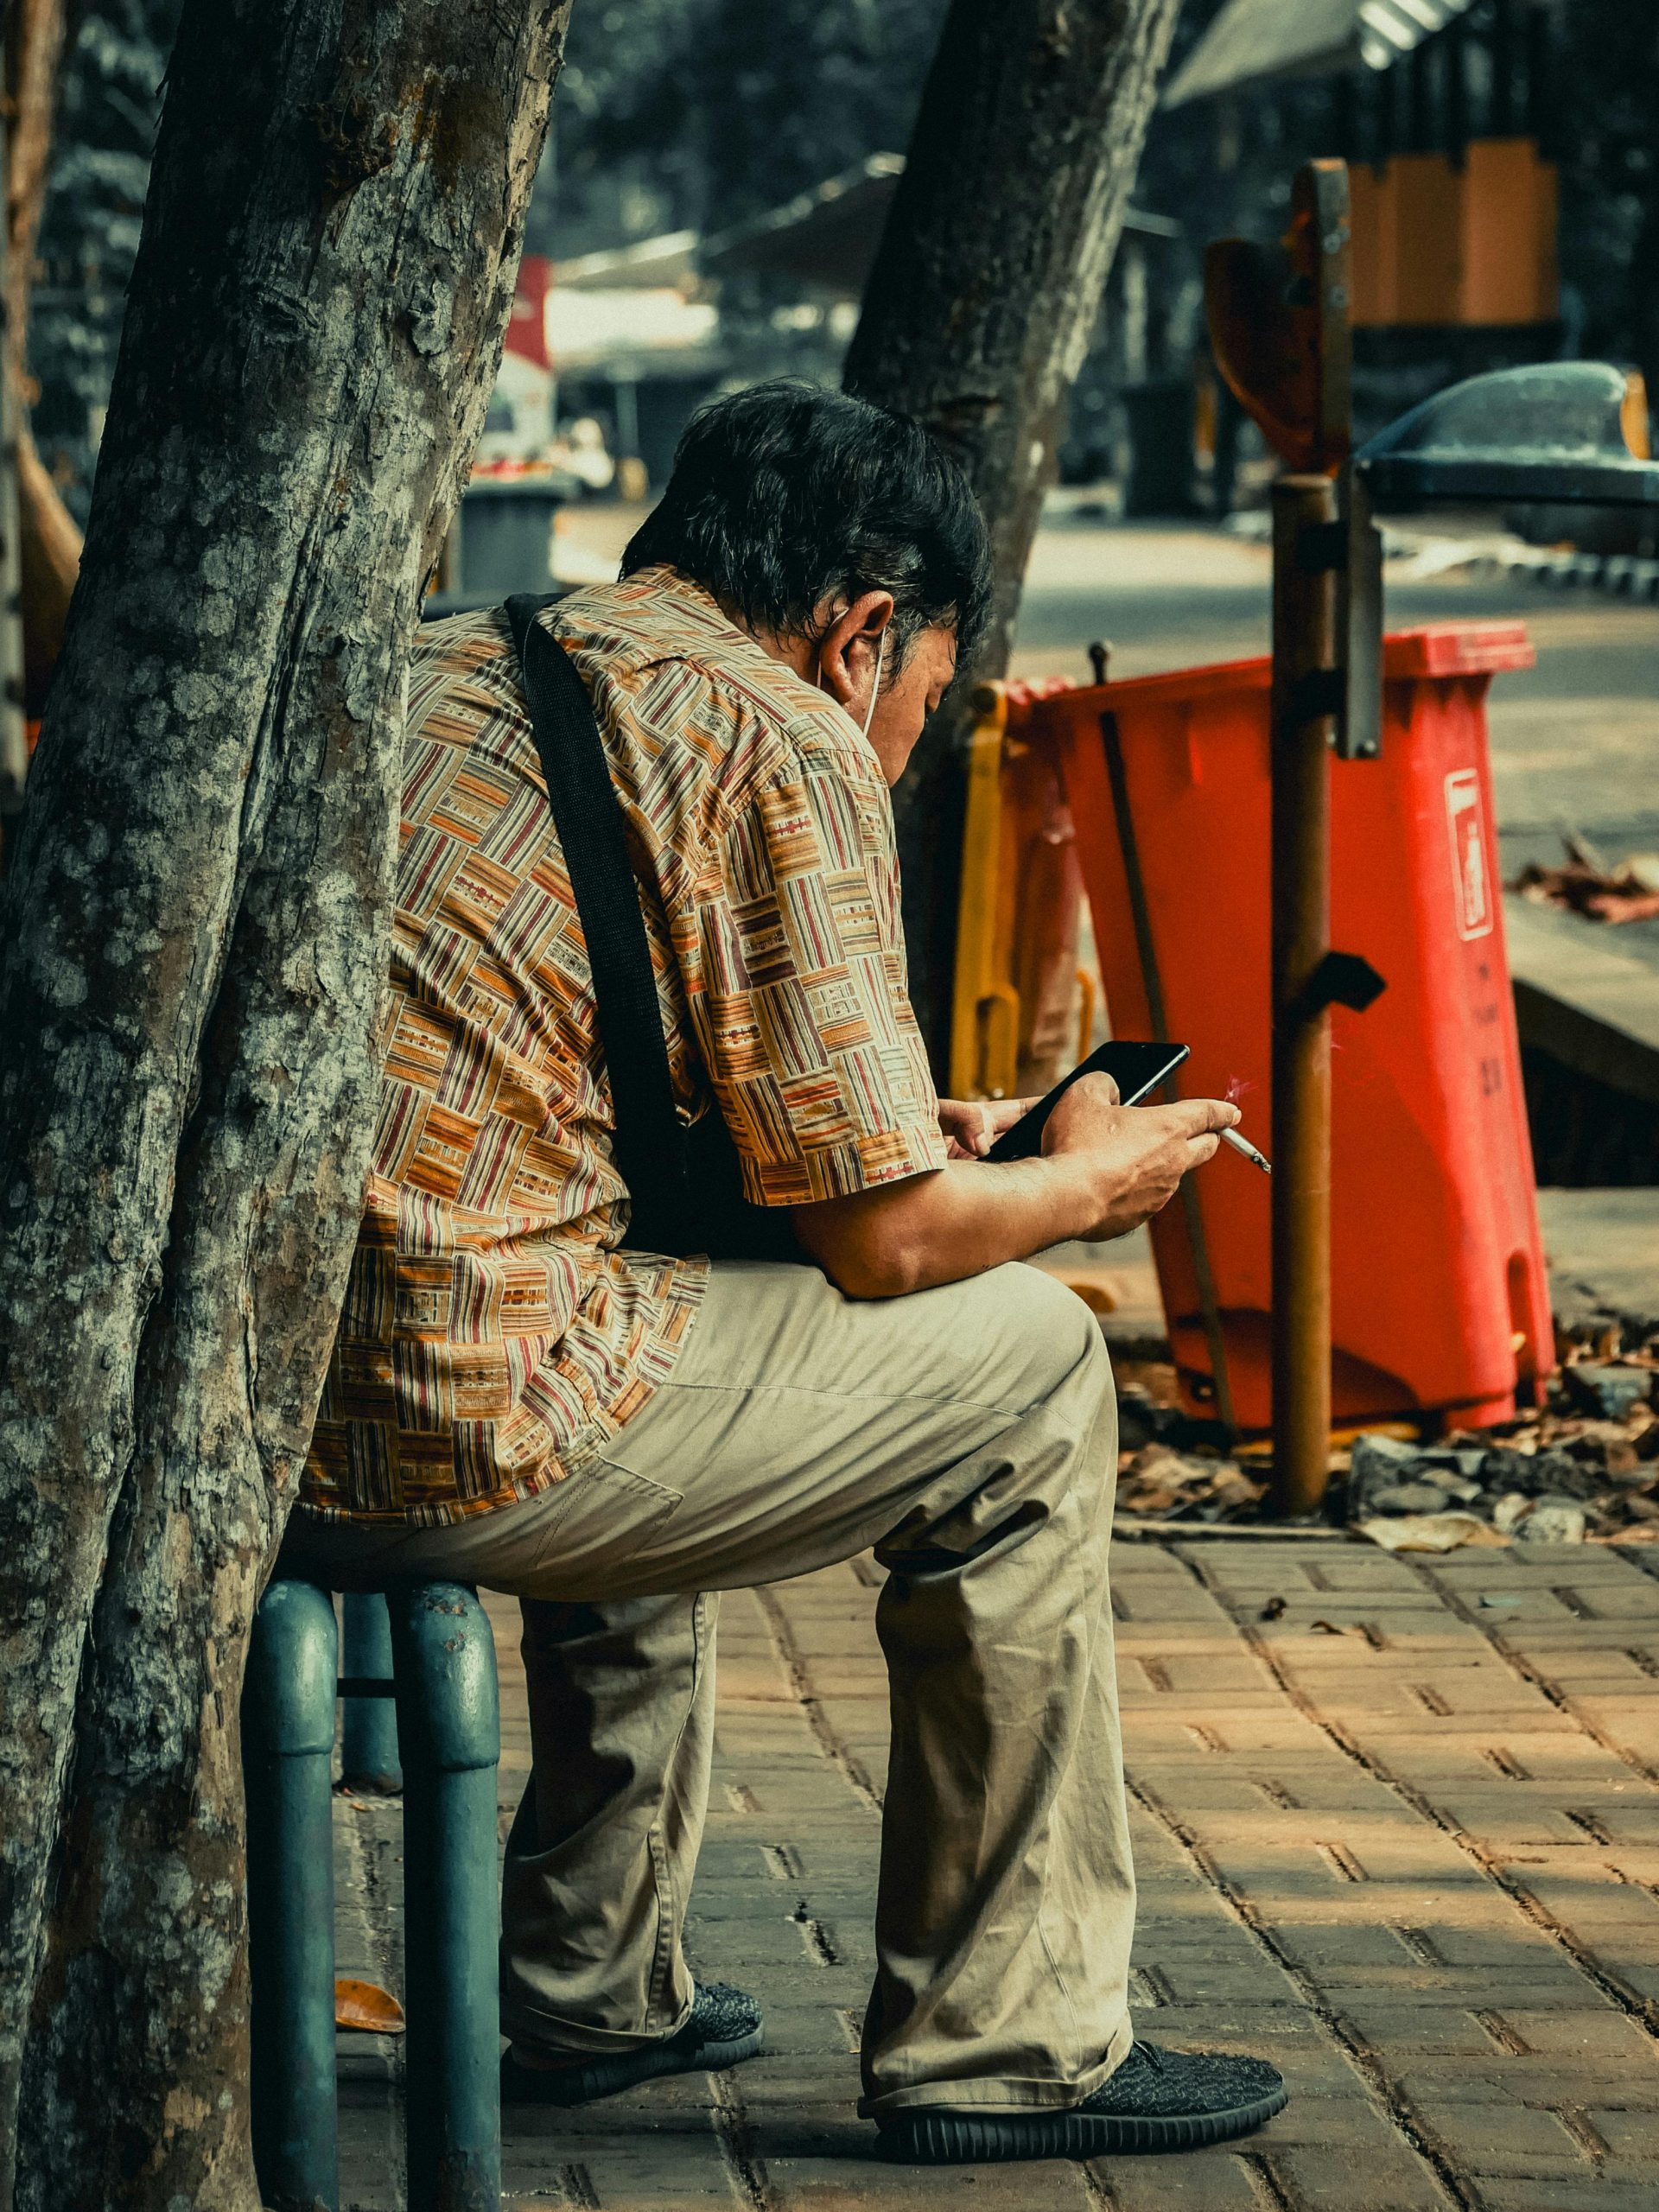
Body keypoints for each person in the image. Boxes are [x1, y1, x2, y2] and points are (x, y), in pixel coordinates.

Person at [282, 381, 1284, 2164]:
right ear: (866, 631)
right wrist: (1081, 1181)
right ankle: (1010, 2038)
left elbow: (698, 1115)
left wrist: (951, 1135)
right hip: (467, 1427)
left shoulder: (457, 662)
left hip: (272, 1415)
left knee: (639, 1268)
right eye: (922, 705)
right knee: (1035, 1370)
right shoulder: (779, 727)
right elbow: (887, 1240)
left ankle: (592, 1988)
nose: (900, 745)